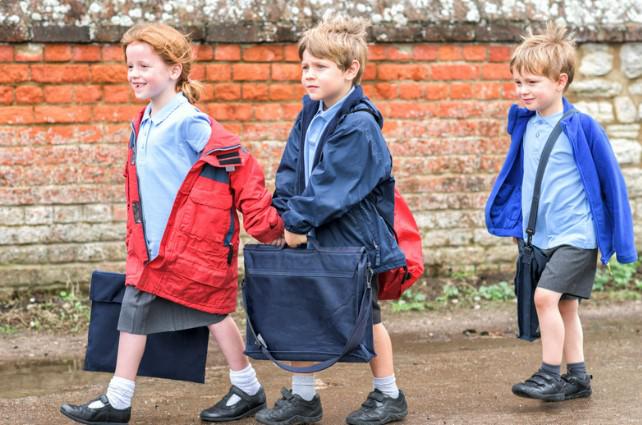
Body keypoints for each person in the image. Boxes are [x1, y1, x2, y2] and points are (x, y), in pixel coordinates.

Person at [60, 22, 284, 424]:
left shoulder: (189, 122)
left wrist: (266, 224)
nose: (134, 74)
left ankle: (243, 388)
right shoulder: (143, 120)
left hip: (190, 248)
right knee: (141, 310)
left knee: (211, 310)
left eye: (144, 65)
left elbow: (242, 169)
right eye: (130, 66)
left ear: (174, 70)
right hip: (151, 248)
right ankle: (123, 397)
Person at [256, 17, 409, 425]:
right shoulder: (310, 113)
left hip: (353, 241)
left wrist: (298, 222)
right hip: (309, 233)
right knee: (300, 311)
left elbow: (333, 186)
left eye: (321, 67)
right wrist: (287, 213)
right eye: (305, 66)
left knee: (367, 318)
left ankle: (388, 394)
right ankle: (304, 398)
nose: (309, 74)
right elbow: (290, 168)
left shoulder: (359, 125)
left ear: (350, 69)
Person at [485, 22, 637, 402]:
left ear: (560, 81)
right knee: (567, 306)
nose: (522, 90)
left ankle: (549, 375)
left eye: (532, 82)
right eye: (518, 82)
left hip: (577, 235)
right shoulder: (526, 125)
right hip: (543, 236)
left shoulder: (582, 128)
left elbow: (612, 185)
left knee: (544, 299)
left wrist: (622, 242)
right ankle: (579, 377)